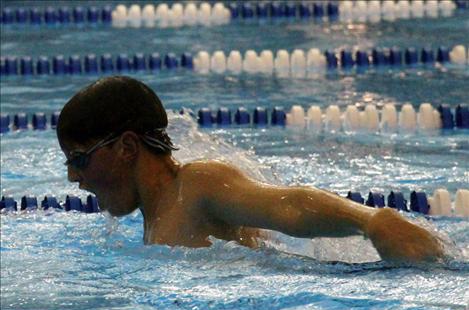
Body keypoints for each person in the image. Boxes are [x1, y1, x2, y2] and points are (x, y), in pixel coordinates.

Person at [57, 76, 444, 262]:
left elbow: (288, 206)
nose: (75, 178)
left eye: (79, 160)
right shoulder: (154, 214)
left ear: (126, 147)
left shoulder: (195, 185)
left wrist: (372, 221)